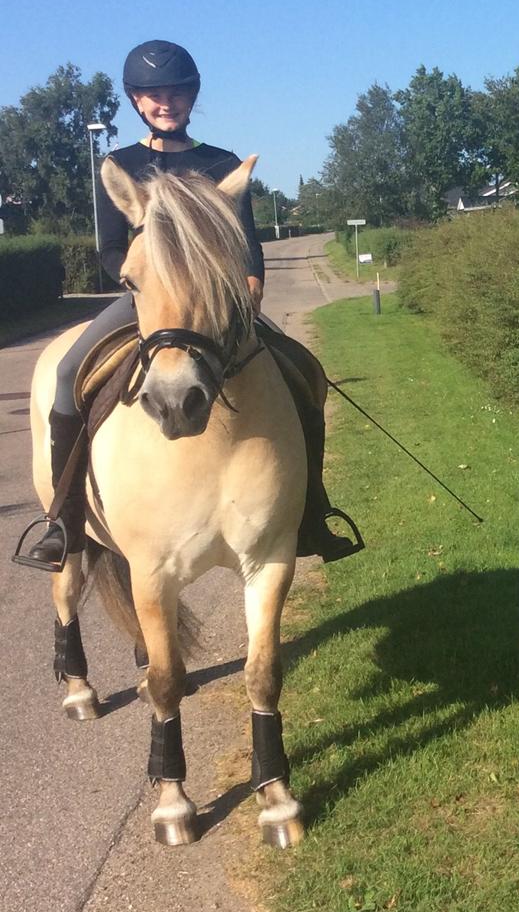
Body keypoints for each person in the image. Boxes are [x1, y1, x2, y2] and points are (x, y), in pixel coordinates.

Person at [22, 40, 359, 567]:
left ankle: (311, 512)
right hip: (148, 303)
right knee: (66, 373)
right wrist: (143, 280)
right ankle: (64, 523)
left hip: (216, 306)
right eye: (153, 94)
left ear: (192, 97)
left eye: (176, 93)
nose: (166, 103)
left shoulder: (219, 163)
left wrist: (249, 285)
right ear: (135, 100)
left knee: (305, 370)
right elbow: (111, 248)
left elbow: (248, 244)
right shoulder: (121, 164)